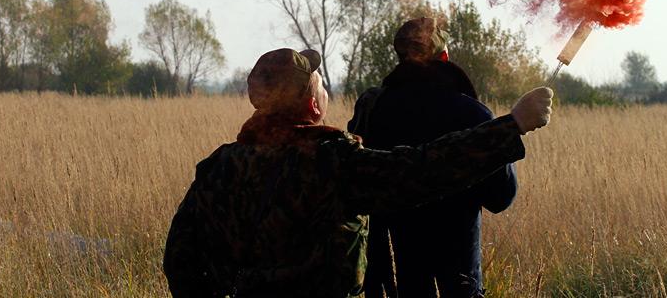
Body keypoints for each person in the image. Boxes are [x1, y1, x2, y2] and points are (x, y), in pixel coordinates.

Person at [163, 47, 552, 298]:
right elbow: (421, 170)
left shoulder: (218, 166)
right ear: (312, 105)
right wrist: (512, 125)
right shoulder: (332, 162)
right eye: (319, 85)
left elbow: (179, 258)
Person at [348, 17, 518, 298]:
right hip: (457, 277)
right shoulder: (473, 114)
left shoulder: (373, 109)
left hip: (392, 275)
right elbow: (501, 198)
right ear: (445, 57)